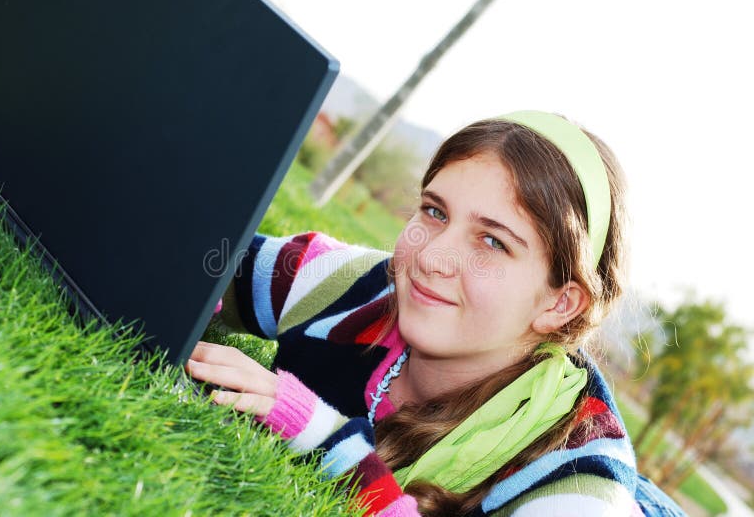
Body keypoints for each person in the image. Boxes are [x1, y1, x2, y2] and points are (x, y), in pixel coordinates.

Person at [186, 111, 686, 516]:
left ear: (559, 303)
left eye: (492, 241)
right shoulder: (367, 289)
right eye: (435, 212)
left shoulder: (581, 486)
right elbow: (206, 263)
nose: (431, 257)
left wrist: (321, 436)